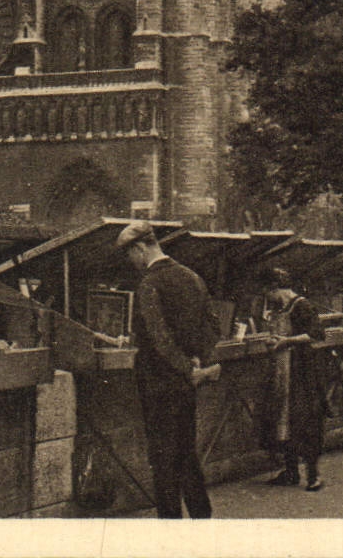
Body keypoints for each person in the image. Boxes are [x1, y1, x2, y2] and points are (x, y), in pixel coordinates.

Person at [117, 219, 220, 519]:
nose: (132, 262)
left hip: (158, 383)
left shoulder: (149, 284)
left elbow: (159, 338)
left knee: (163, 460)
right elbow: (213, 327)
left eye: (130, 255)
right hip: (187, 384)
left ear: (139, 248)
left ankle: (170, 528)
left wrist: (185, 367)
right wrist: (197, 361)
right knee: (187, 454)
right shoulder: (192, 277)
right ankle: (202, 519)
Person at [256, 268, 328, 491]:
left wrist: (286, 342)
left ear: (276, 288)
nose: (268, 298)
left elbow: (316, 334)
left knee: (304, 420)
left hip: (300, 372)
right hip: (281, 370)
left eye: (268, 293)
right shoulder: (280, 308)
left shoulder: (302, 306)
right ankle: (291, 471)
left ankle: (313, 475)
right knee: (282, 421)